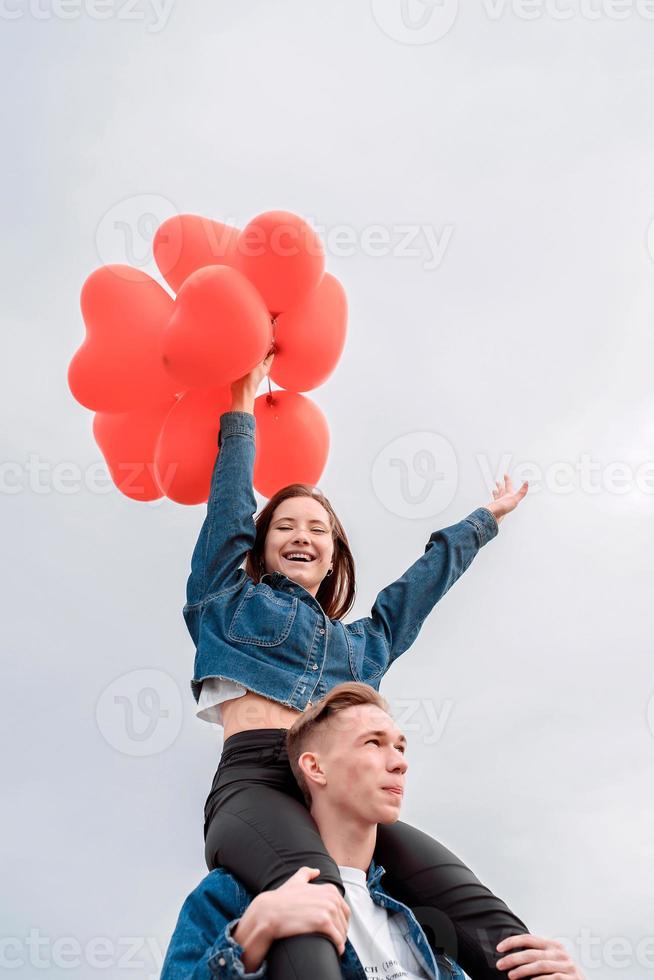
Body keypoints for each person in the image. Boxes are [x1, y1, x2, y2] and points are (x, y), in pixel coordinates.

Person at [184, 351, 531, 979]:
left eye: (318, 528)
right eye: (283, 525)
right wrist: (240, 414)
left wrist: (485, 522)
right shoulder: (228, 602)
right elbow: (228, 513)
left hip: (340, 789)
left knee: (482, 916)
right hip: (257, 784)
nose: (301, 535)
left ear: (333, 553)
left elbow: (415, 592)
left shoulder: (361, 648)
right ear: (260, 549)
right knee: (316, 897)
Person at [161, 683, 584, 980]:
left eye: (400, 746)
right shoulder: (233, 897)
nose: (399, 762)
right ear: (315, 767)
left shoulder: (423, 913)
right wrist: (249, 938)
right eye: (373, 743)